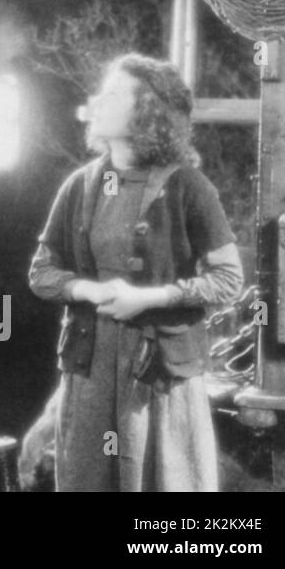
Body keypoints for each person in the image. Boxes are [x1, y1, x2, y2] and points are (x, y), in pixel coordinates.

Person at [29, 54, 244, 491]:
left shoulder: (189, 188)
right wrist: (87, 288)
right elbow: (42, 271)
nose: (99, 100)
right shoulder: (81, 185)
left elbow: (228, 279)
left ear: (147, 108)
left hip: (159, 374)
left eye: (113, 93)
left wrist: (149, 298)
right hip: (90, 372)